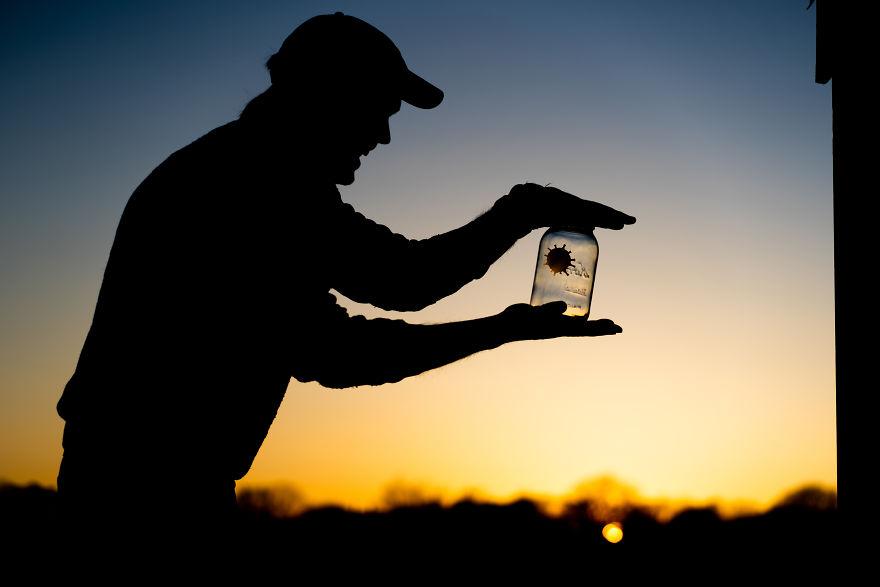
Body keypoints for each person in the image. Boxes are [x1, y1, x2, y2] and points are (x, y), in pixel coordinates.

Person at [55, 12, 635, 541]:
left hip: (143, 478)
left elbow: (382, 298)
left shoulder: (261, 175)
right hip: (145, 494)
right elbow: (358, 329)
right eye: (378, 109)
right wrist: (515, 225)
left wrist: (510, 272)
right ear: (324, 94)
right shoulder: (252, 184)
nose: (382, 135)